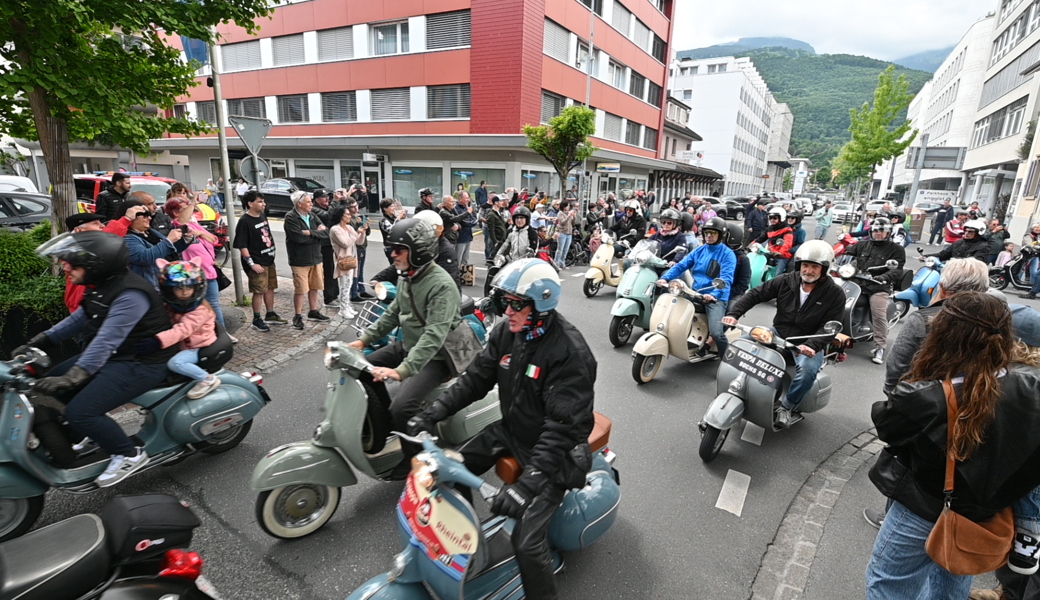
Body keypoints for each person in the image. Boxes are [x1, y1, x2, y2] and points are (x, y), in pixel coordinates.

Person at [407, 258, 595, 600]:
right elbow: (475, 380)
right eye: (504, 302)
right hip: (513, 430)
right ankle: (461, 542)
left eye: (515, 304)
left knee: (527, 540)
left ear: (542, 304)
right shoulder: (508, 333)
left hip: (557, 453)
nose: (507, 311)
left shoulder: (569, 353)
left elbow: (561, 429)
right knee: (447, 473)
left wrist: (526, 486)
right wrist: (433, 412)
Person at [865, 292, 1040, 599]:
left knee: (889, 583)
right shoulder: (1030, 389)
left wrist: (930, 370)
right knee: (952, 576)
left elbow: (887, 422)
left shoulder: (925, 395)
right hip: (982, 515)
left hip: (923, 508)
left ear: (947, 334)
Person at [24, 232, 178, 486]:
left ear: (96, 266)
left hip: (143, 362)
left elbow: (108, 339)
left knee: (79, 412)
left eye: (73, 264)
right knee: (53, 382)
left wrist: (75, 375)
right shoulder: (102, 287)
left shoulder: (131, 294)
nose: (66, 268)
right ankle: (96, 432)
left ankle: (129, 453)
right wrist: (42, 340)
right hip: (120, 356)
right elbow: (79, 319)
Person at [864, 258, 992, 530]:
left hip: (925, 407)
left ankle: (893, 519)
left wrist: (896, 402)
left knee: (910, 465)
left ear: (943, 286)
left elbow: (897, 366)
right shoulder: (995, 322)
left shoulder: (924, 319)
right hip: (976, 406)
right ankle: (951, 522)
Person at [347, 218, 460, 452]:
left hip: (437, 356)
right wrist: (363, 340)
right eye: (391, 249)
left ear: (418, 251)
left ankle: (419, 464)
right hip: (410, 344)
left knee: (403, 408)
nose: (393, 255)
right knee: (361, 368)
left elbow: (434, 336)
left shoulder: (441, 285)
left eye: (399, 249)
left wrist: (402, 371)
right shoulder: (407, 275)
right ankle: (386, 424)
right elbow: (392, 313)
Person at [723, 241, 845, 428]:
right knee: (741, 345)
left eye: (815, 266)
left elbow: (830, 327)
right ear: (799, 265)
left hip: (806, 341)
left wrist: (811, 346)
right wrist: (734, 313)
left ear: (824, 269)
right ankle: (737, 387)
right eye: (805, 265)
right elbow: (756, 293)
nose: (809, 270)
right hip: (778, 332)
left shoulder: (835, 293)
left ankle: (787, 407)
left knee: (807, 371)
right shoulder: (786, 280)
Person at [137, 259, 221, 400]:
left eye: (188, 288)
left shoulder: (199, 310)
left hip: (197, 345)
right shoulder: (176, 305)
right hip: (188, 342)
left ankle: (207, 379)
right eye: (178, 288)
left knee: (176, 363)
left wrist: (157, 341)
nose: (184, 293)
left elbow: (182, 330)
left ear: (197, 288)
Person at [658, 217, 737, 358]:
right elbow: (682, 265)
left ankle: (726, 360)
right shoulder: (700, 250)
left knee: (717, 333)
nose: (709, 236)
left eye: (713, 233)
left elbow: (726, 278)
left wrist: (714, 294)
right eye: (707, 233)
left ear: (721, 235)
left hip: (716, 297)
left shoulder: (728, 254)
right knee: (674, 306)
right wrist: (665, 278)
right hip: (696, 292)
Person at [843, 217, 906, 365]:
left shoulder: (896, 250)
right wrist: (837, 252)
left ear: (888, 232)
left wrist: (884, 277)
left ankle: (880, 347)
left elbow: (897, 270)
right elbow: (847, 252)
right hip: (856, 283)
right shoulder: (862, 245)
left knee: (878, 314)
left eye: (882, 230)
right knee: (834, 299)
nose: (878, 233)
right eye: (875, 230)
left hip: (877, 287)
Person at [165, 197, 227, 332]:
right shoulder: (177, 227)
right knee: (198, 307)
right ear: (175, 212)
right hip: (193, 275)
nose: (190, 209)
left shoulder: (194, 226)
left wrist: (200, 233)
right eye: (185, 208)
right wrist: (192, 203)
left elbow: (214, 240)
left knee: (214, 305)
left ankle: (221, 332)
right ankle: (208, 333)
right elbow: (182, 221)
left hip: (209, 272)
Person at [233, 191, 286, 332]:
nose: (264, 204)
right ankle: (257, 319)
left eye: (264, 201)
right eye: (260, 202)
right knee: (259, 291)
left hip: (268, 259)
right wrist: (252, 264)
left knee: (270, 287)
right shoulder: (244, 221)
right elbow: (242, 246)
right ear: (250, 204)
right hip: (257, 262)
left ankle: (270, 313)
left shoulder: (262, 215)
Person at [284, 191, 331, 329]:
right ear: (299, 203)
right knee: (300, 289)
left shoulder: (312, 215)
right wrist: (317, 233)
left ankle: (313, 311)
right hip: (300, 259)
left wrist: (310, 232)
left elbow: (326, 233)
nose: (312, 204)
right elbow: (298, 238)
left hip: (316, 257)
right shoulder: (290, 217)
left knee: (315, 286)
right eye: (309, 202)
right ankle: (297, 316)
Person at [125, 205, 189, 288]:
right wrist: (169, 241)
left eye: (149, 215)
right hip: (151, 286)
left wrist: (186, 238)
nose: (149, 218)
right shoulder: (128, 238)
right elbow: (145, 258)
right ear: (131, 217)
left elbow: (171, 250)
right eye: (144, 215)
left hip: (167, 282)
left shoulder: (151, 231)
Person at [63, 213, 108, 313]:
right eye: (95, 224)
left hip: (94, 302)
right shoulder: (76, 249)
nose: (102, 226)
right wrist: (126, 219)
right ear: (79, 230)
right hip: (81, 305)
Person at [329, 204, 362, 320]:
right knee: (344, 285)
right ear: (341, 216)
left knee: (349, 284)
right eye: (347, 214)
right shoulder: (335, 229)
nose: (349, 216)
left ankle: (346, 306)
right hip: (343, 261)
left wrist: (361, 232)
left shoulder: (349, 228)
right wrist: (356, 234)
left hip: (352, 259)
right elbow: (346, 243)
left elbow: (358, 242)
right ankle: (343, 309)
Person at [311, 190, 339, 308]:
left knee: (333, 270)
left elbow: (337, 214)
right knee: (328, 270)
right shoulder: (314, 209)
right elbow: (329, 216)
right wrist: (335, 202)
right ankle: (329, 297)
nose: (327, 199)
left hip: (331, 242)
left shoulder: (327, 207)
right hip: (323, 244)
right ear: (316, 199)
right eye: (323, 197)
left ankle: (335, 295)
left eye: (328, 196)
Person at [924, 218, 990, 263]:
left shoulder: (983, 246)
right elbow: (945, 254)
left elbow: (976, 263)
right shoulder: (960, 242)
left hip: (968, 276)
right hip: (952, 271)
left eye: (970, 232)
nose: (967, 233)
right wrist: (926, 256)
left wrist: (956, 263)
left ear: (978, 233)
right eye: (966, 231)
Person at [752, 206, 796, 274]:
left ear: (781, 218)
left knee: (778, 274)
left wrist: (780, 252)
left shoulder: (787, 229)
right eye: (770, 218)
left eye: (775, 218)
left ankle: (777, 283)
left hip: (782, 256)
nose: (772, 220)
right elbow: (760, 238)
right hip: (771, 253)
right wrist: (751, 245)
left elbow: (787, 243)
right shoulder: (770, 228)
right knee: (757, 264)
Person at [452, 191, 479, 265]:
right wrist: (469, 216)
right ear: (460, 199)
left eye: (468, 198)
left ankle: (463, 275)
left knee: (465, 260)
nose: (468, 200)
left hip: (468, 237)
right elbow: (464, 222)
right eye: (466, 198)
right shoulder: (456, 209)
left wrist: (470, 213)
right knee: (458, 259)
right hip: (460, 238)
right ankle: (456, 275)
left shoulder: (467, 208)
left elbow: (474, 219)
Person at [485, 194, 510, 263]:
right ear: (496, 203)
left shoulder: (499, 213)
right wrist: (495, 241)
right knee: (494, 260)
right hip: (496, 240)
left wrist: (508, 223)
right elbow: (491, 230)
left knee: (499, 260)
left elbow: (502, 226)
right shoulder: (491, 214)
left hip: (501, 239)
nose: (502, 202)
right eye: (501, 201)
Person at [378, 197, 404, 262]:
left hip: (398, 246)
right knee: (396, 268)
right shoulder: (383, 220)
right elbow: (392, 230)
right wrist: (398, 218)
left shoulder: (393, 217)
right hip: (391, 248)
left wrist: (403, 217)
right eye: (392, 206)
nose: (394, 208)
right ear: (385, 209)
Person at [554, 200, 578, 269]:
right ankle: (557, 263)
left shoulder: (569, 213)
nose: (568, 207)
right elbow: (562, 222)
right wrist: (568, 216)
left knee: (566, 250)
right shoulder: (560, 213)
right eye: (567, 206)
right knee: (560, 249)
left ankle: (562, 263)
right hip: (562, 233)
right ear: (564, 206)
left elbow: (573, 224)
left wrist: (574, 217)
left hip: (569, 233)